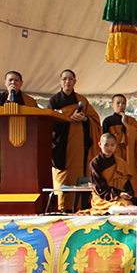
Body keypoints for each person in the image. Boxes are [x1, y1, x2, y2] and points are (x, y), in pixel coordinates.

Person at [49, 69, 102, 213]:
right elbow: (49, 122)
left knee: (79, 176)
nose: (67, 82)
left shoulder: (82, 101)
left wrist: (85, 119)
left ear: (75, 82)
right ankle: (62, 208)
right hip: (62, 147)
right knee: (63, 179)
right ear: (60, 82)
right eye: (64, 79)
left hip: (78, 147)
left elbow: (95, 121)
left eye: (70, 79)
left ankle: (80, 207)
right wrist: (67, 119)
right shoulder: (54, 101)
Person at [100, 94, 137, 185]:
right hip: (114, 153)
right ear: (112, 105)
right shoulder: (108, 121)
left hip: (129, 154)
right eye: (118, 103)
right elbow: (104, 139)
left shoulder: (131, 121)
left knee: (130, 179)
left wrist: (125, 124)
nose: (121, 105)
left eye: (123, 103)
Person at [86, 133, 135, 212]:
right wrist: (118, 194)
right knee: (123, 205)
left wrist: (128, 193)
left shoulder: (120, 162)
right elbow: (100, 188)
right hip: (102, 198)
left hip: (119, 196)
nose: (109, 148)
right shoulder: (95, 163)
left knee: (129, 204)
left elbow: (126, 182)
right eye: (106, 145)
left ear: (116, 145)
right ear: (99, 144)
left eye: (112, 145)